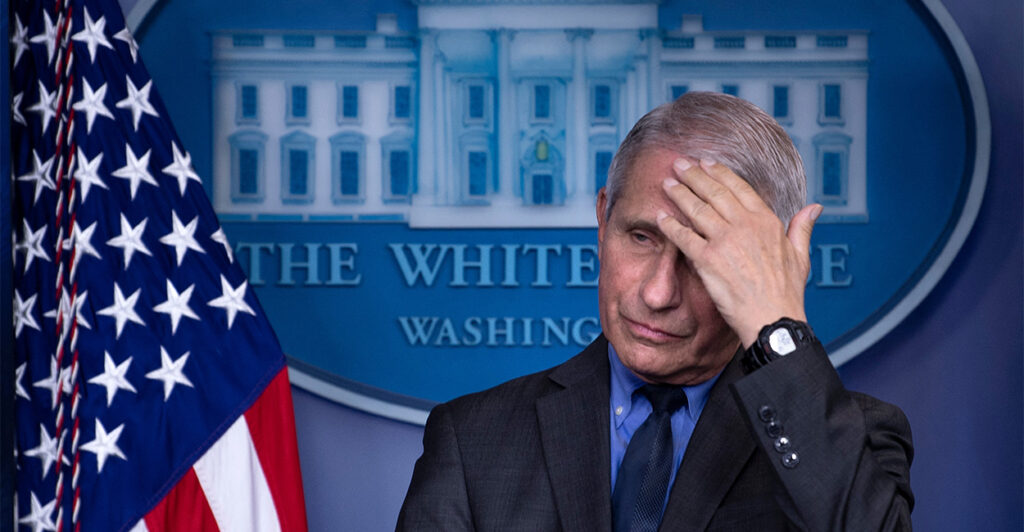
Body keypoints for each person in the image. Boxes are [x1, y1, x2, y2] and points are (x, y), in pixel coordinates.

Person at [396, 91, 913, 531]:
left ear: (761, 264)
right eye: (640, 237)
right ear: (603, 219)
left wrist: (774, 322)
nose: (658, 293)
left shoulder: (854, 438)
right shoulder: (472, 440)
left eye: (701, 256)